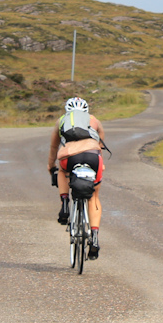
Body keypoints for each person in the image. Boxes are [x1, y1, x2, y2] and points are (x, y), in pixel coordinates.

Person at [48, 97, 106, 260]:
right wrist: (100, 164)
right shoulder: (95, 121)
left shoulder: (61, 121)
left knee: (62, 171)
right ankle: (94, 236)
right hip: (93, 157)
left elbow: (53, 147)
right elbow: (100, 145)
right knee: (93, 197)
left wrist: (50, 165)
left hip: (69, 157)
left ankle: (65, 203)